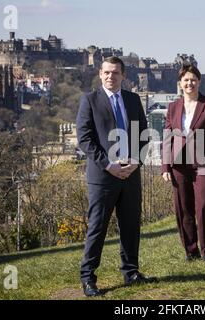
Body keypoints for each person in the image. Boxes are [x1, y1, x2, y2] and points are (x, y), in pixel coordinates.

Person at [76, 56, 154, 297]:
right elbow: (85, 139)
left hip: (130, 173)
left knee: (131, 225)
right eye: (107, 72)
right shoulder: (89, 100)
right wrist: (108, 165)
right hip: (103, 176)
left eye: (116, 73)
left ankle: (131, 271)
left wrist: (136, 162)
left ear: (123, 76)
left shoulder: (132, 99)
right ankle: (88, 278)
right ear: (100, 74)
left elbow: (144, 133)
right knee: (97, 227)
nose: (111, 76)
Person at [161, 65, 205, 262]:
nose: (189, 83)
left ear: (199, 81)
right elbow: (167, 137)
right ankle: (191, 251)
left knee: (204, 207)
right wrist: (165, 166)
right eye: (186, 80)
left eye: (193, 79)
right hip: (179, 165)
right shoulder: (173, 107)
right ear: (180, 83)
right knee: (183, 209)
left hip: (204, 163)